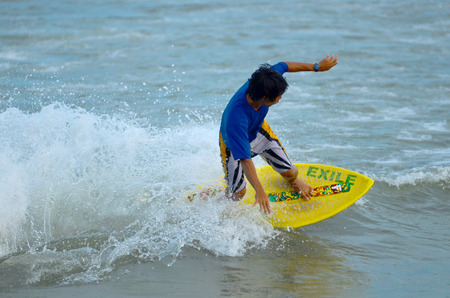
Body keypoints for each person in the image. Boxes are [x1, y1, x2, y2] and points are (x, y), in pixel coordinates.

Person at [219, 55, 338, 214]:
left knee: (291, 172)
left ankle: (294, 182)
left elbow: (284, 65)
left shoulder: (265, 81)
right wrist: (260, 191)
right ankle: (219, 198)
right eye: (278, 96)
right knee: (238, 195)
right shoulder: (236, 119)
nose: (280, 98)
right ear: (264, 98)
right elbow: (246, 160)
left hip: (258, 131)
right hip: (232, 145)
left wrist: (316, 67)